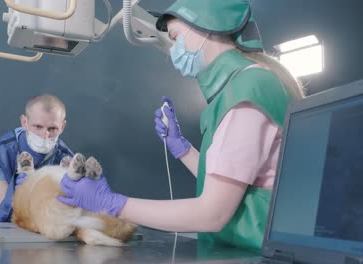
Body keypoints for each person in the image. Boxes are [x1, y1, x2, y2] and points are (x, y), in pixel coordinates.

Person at [57, 0, 305, 251]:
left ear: (207, 26)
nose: (172, 48)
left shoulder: (248, 89)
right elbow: (232, 181)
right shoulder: (241, 87)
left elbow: (212, 214)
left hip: (258, 252)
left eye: (175, 37)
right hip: (242, 248)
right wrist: (182, 148)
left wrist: (112, 203)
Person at [0, 94, 73, 222]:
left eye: (52, 129)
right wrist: (17, 188)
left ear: (62, 127)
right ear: (24, 122)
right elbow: (1, 215)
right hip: (8, 216)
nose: (45, 135)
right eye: (38, 127)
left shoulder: (66, 158)